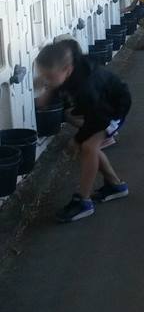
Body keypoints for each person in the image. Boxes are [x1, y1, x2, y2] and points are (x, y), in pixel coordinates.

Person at [34, 39, 131, 223]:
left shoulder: (86, 87)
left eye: (49, 77)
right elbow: (58, 83)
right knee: (89, 147)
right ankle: (115, 186)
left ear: (68, 70)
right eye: (43, 76)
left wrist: (77, 139)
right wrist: (47, 93)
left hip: (113, 108)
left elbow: (97, 120)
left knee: (87, 146)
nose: (46, 81)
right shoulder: (66, 68)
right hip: (99, 106)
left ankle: (84, 201)